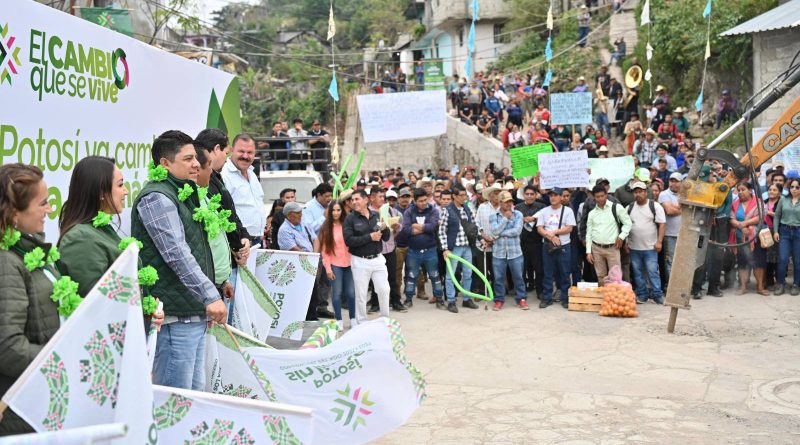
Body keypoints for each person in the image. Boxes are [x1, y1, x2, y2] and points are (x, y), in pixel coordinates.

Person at [131, 130, 227, 390]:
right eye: (187, 159)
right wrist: (210, 296)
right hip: (175, 318)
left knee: (193, 398)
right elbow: (177, 254)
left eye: (195, 157)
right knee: (176, 400)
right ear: (165, 163)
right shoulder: (156, 197)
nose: (196, 164)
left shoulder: (184, 192)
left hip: (193, 312)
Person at [58, 156, 168, 333]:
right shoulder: (81, 239)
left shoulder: (99, 230)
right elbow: (97, 302)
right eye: (120, 185)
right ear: (101, 192)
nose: (126, 192)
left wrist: (148, 310)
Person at [0, 164, 59, 434]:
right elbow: (8, 348)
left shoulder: (29, 251)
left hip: (36, 402)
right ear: (14, 213)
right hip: (19, 411)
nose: (50, 209)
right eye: (43, 203)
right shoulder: (6, 263)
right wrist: (60, 361)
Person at [194, 128, 252, 264]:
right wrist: (236, 246)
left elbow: (229, 212)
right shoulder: (200, 182)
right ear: (216, 149)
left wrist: (243, 236)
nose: (226, 159)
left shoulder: (216, 176)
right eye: (226, 153)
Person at [343, 190, 391, 322]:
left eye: (357, 199)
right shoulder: (350, 219)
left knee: (384, 289)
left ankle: (385, 319)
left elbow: (386, 237)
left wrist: (385, 228)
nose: (354, 202)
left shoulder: (376, 215)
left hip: (378, 259)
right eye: (352, 200)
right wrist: (370, 237)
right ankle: (361, 322)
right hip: (360, 261)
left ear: (366, 200)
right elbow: (348, 241)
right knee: (361, 294)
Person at [277, 201, 322, 320]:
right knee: (301, 293)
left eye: (300, 212)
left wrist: (314, 256)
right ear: (289, 215)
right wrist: (311, 258)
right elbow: (294, 249)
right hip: (296, 265)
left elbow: (315, 239)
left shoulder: (304, 223)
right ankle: (301, 318)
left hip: (311, 261)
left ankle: (312, 317)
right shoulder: (284, 230)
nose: (300, 215)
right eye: (297, 213)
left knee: (313, 292)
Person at [439, 187, 480, 312]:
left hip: (467, 247)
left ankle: (466, 299)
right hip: (454, 248)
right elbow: (442, 231)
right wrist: (445, 248)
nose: (464, 198)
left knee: (468, 274)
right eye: (461, 195)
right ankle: (451, 301)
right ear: (454, 196)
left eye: (465, 195)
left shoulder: (467, 208)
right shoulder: (447, 210)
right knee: (450, 276)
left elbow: (474, 226)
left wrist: (479, 238)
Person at [401, 188, 444, 308]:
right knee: (411, 276)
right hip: (413, 251)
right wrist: (425, 228)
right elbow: (406, 230)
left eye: (425, 200)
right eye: (420, 201)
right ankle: (408, 299)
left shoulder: (433, 210)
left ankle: (439, 299)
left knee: (435, 275)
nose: (424, 203)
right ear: (415, 201)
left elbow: (432, 227)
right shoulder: (409, 212)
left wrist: (415, 225)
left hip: (430, 250)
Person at [221, 134, 266, 247]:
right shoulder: (223, 174)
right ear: (231, 150)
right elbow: (223, 211)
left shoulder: (251, 173)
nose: (245, 156)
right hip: (240, 242)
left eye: (250, 152)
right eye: (241, 151)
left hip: (257, 240)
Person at [626, 181, 666, 304]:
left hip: (650, 247)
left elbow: (662, 224)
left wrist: (659, 242)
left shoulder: (655, 206)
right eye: (635, 192)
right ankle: (642, 295)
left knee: (652, 271)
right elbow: (625, 225)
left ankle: (657, 294)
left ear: (645, 192)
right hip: (634, 247)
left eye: (640, 192)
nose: (638, 194)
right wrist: (626, 242)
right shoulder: (629, 208)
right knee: (637, 273)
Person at [368, 187, 407, 313]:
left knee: (392, 277)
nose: (383, 199)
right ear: (372, 198)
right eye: (380, 197)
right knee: (375, 279)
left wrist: (396, 226)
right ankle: (375, 304)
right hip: (375, 250)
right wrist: (380, 225)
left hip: (390, 248)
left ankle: (396, 302)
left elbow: (399, 227)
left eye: (383, 197)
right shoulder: (367, 213)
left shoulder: (390, 210)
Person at [319, 201, 356, 330]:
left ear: (342, 211)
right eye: (333, 210)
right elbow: (325, 251)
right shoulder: (326, 227)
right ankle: (339, 320)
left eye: (338, 210)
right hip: (335, 265)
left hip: (350, 263)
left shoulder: (348, 224)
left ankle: (353, 319)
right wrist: (328, 269)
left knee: (351, 293)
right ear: (329, 212)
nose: (336, 213)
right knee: (337, 294)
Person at [537, 188, 576, 309]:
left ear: (561, 197)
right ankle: (547, 298)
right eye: (551, 195)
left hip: (564, 245)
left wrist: (553, 232)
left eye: (555, 195)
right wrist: (550, 236)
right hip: (548, 245)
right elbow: (539, 228)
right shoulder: (544, 211)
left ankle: (565, 298)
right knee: (548, 272)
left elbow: (569, 228)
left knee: (565, 272)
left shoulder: (568, 211)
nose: (552, 198)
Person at [585, 185, 632, 285]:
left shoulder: (616, 208)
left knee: (615, 276)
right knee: (600, 275)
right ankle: (603, 294)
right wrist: (588, 251)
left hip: (613, 247)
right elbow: (589, 233)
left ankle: (615, 294)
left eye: (602, 196)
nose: (600, 199)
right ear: (594, 197)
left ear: (606, 195)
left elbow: (628, 223)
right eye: (597, 197)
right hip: (596, 248)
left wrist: (621, 237)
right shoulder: (592, 213)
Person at [491, 191, 528, 310]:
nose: (509, 204)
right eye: (506, 202)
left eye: (510, 201)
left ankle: (521, 299)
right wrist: (505, 219)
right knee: (498, 278)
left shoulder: (518, 214)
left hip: (515, 252)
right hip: (499, 252)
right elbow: (494, 231)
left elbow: (517, 231)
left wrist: (500, 234)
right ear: (500, 202)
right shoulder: (493, 216)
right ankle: (499, 300)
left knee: (518, 277)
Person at [729, 182, 764, 295]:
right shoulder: (735, 204)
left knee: (759, 261)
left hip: (756, 236)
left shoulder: (758, 202)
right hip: (740, 237)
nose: (740, 192)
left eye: (743, 189)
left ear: (750, 190)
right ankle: (743, 286)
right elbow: (731, 219)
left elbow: (760, 217)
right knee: (742, 262)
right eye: (738, 190)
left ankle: (760, 287)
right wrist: (741, 226)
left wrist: (744, 224)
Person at [518, 185, 546, 298]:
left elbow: (546, 220)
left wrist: (534, 218)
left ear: (536, 195)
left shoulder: (542, 207)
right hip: (522, 243)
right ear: (523, 195)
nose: (529, 196)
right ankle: (522, 291)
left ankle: (540, 291)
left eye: (532, 194)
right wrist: (522, 219)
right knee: (522, 269)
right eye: (527, 194)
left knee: (539, 269)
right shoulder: (517, 207)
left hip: (537, 243)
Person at [773, 178, 800, 295]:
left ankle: (796, 284)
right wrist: (775, 231)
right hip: (784, 232)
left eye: (797, 187)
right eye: (792, 187)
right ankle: (781, 284)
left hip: (798, 232)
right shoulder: (783, 199)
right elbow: (777, 216)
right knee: (783, 259)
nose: (794, 189)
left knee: (797, 260)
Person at [658, 172, 682, 288]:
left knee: (681, 262)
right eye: (671, 181)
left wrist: (676, 207)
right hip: (669, 234)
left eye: (676, 181)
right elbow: (669, 211)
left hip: (683, 234)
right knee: (670, 261)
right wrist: (684, 209)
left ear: (681, 182)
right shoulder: (664, 194)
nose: (673, 183)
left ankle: (680, 285)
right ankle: (671, 287)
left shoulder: (684, 194)